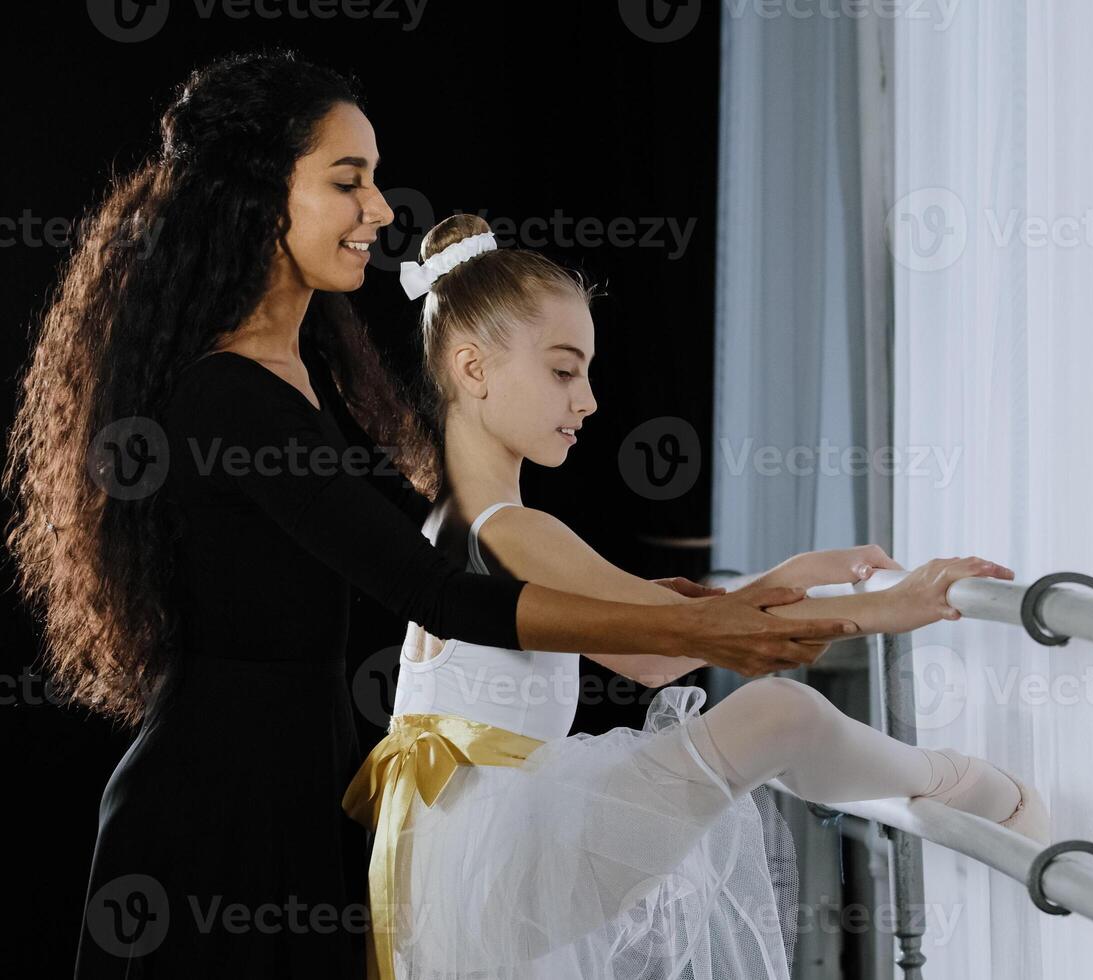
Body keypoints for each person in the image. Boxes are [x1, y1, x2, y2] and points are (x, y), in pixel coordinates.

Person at [1, 51, 860, 978]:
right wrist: (703, 627)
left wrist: (710, 613)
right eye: (348, 180)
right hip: (214, 817)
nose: (378, 208)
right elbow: (440, 594)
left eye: (372, 179)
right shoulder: (227, 398)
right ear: (258, 196)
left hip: (293, 795)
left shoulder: (300, 376)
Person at [342, 214, 1050, 980]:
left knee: (773, 727)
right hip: (507, 859)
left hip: (465, 875)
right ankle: (982, 793)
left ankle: (958, 790)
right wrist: (897, 606)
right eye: (562, 371)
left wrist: (786, 577)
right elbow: (664, 643)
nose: (588, 401)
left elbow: (648, 638)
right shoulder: (510, 529)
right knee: (782, 713)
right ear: (474, 369)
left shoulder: (455, 520)